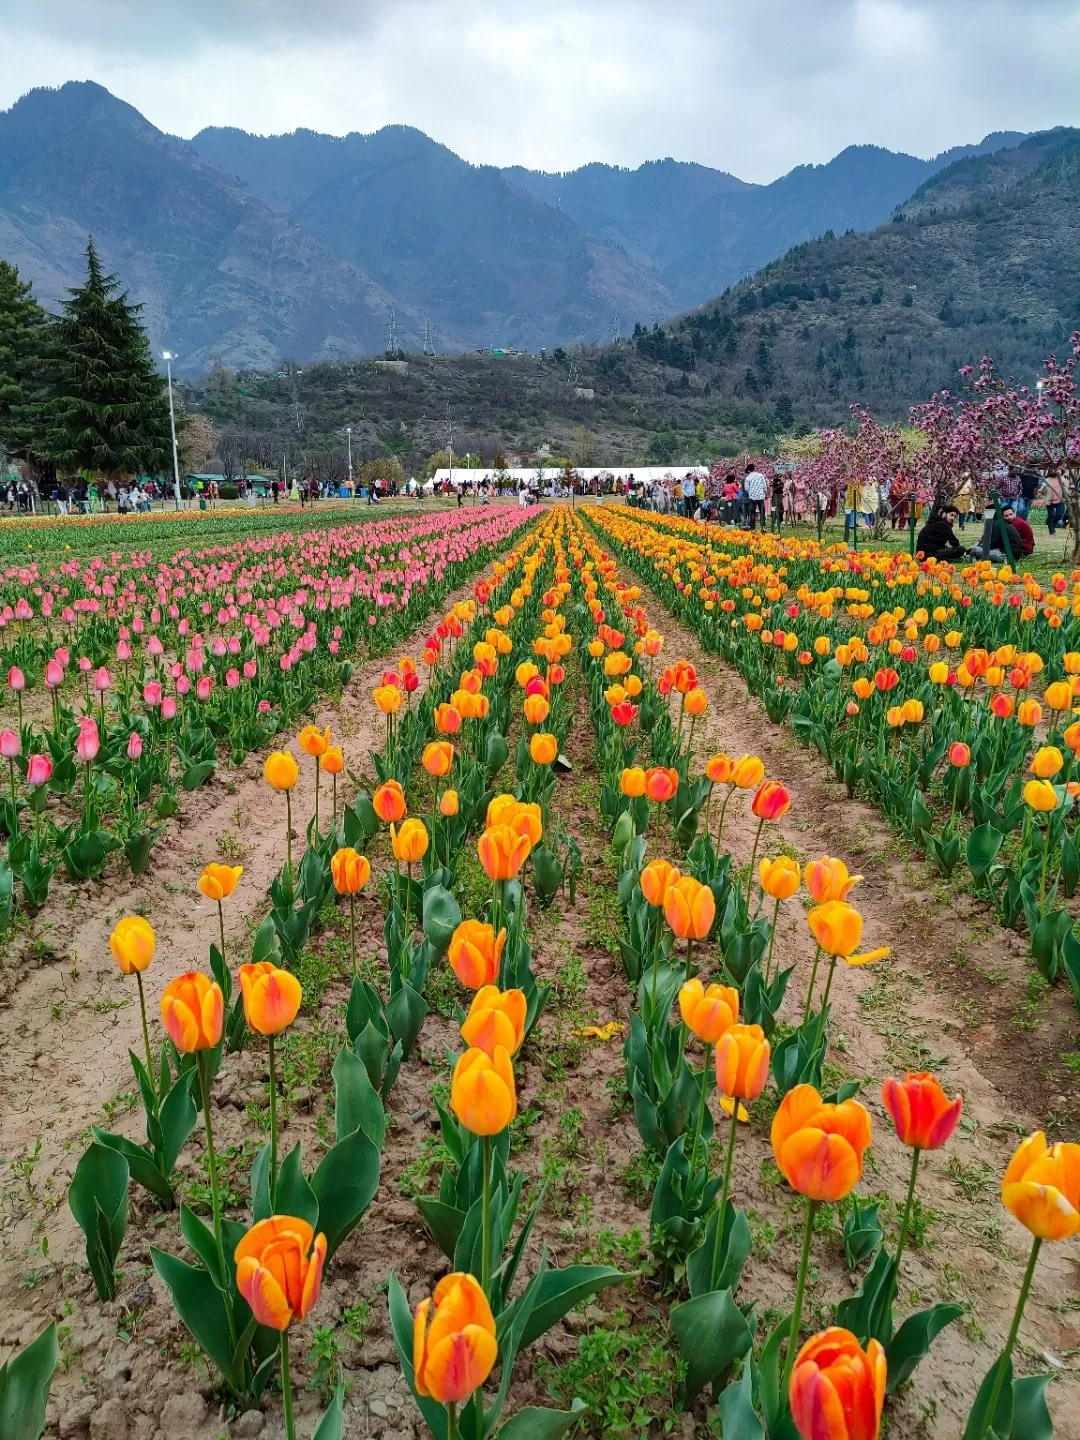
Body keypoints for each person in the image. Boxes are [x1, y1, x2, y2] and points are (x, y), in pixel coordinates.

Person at [1037, 472, 1066, 536]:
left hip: (1059, 500)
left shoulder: (1061, 479)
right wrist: (1040, 491)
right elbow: (1042, 488)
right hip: (1049, 501)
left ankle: (1052, 524)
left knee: (1059, 514)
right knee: (1051, 515)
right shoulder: (1047, 480)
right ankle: (1052, 531)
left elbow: (1066, 487)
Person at [743, 461, 768, 529]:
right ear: (754, 468)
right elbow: (765, 486)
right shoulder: (760, 475)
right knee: (762, 512)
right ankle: (763, 526)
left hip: (752, 497)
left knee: (752, 512)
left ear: (748, 470)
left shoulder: (748, 478)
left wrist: (752, 491)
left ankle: (753, 527)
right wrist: (765, 494)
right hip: (761, 496)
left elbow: (746, 488)